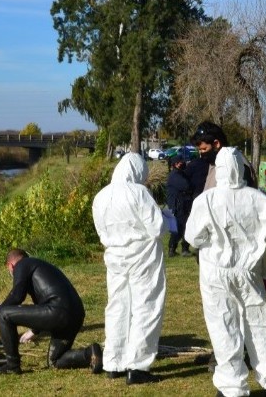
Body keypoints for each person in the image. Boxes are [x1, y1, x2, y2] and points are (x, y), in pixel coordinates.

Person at [185, 147, 266, 397]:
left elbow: (192, 236)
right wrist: (265, 267)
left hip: (215, 271)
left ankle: (232, 387)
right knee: (260, 322)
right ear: (242, 168)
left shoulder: (206, 200)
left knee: (223, 324)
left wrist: (211, 240)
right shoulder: (260, 200)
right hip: (248, 270)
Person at [92, 152, 167, 385]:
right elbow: (157, 227)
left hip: (114, 257)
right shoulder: (139, 193)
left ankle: (113, 362)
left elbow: (101, 232)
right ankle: (138, 365)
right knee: (146, 307)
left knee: (117, 307)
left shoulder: (101, 196)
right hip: (143, 256)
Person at [0, 249, 103, 375]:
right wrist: (34, 331)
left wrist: (0, 309)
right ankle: (91, 353)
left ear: (10, 265)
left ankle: (12, 365)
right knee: (55, 360)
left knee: (5, 314)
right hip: (76, 315)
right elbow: (40, 305)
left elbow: (17, 295)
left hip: (58, 311)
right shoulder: (40, 266)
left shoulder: (22, 264)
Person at [191, 121, 257, 191]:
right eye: (199, 150)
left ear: (216, 144)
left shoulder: (236, 165)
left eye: (204, 149)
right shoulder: (214, 161)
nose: (201, 153)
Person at [166, 155, 194, 257]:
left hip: (184, 205)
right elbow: (186, 185)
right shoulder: (174, 176)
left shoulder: (181, 174)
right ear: (175, 164)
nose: (182, 164)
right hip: (178, 207)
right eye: (179, 162)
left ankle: (184, 248)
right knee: (178, 229)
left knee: (186, 227)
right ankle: (172, 249)